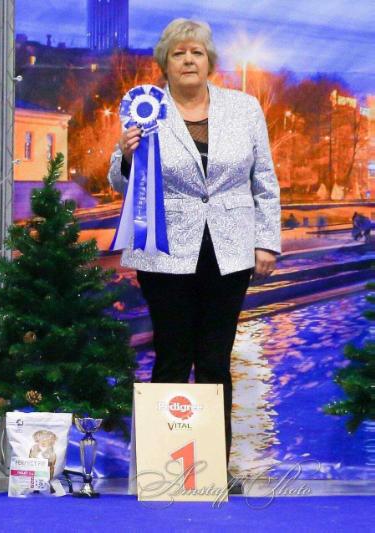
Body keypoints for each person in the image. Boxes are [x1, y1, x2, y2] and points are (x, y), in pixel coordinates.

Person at [108, 19, 281, 490]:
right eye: (179, 53)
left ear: (210, 62)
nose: (188, 60)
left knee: (213, 359)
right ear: (165, 62)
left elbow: (264, 180)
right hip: (165, 253)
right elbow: (120, 183)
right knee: (170, 355)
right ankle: (165, 471)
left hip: (229, 252)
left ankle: (212, 470)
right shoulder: (145, 110)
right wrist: (125, 156)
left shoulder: (244, 109)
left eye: (197, 53)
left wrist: (267, 241)